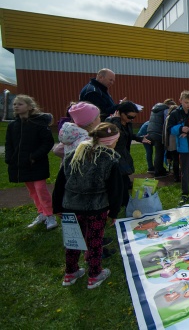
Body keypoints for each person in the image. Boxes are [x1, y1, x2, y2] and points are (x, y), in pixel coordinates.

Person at [52, 122, 123, 289]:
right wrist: (114, 212)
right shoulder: (110, 159)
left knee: (72, 241)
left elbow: (60, 184)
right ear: (111, 141)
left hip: (70, 206)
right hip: (95, 209)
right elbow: (116, 190)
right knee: (94, 241)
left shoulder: (72, 156)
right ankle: (94, 274)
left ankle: (70, 273)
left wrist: (57, 207)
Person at [5, 95, 56, 230]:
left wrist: (35, 156)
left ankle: (50, 215)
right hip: (21, 164)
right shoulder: (13, 125)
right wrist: (9, 158)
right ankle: (42, 213)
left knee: (40, 188)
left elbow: (48, 142)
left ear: (30, 107)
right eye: (15, 104)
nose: (16, 106)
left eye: (20, 104)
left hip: (37, 163)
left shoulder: (39, 123)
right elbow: (9, 143)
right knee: (32, 190)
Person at [106, 101, 149, 208]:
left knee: (124, 179)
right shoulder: (110, 122)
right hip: (114, 154)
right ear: (121, 113)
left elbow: (129, 135)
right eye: (129, 116)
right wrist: (115, 120)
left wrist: (140, 138)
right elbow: (115, 135)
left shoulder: (128, 122)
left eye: (133, 117)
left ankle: (124, 201)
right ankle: (121, 202)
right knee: (119, 180)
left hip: (124, 153)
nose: (131, 119)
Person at [146, 98, 176, 177]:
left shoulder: (155, 109)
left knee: (157, 152)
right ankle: (158, 171)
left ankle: (157, 168)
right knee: (159, 152)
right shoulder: (165, 110)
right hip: (159, 133)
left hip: (150, 131)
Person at [163, 105, 181, 182]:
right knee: (176, 159)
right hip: (175, 139)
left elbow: (164, 131)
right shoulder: (174, 118)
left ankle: (176, 175)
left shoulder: (168, 118)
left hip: (170, 140)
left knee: (175, 159)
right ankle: (177, 176)